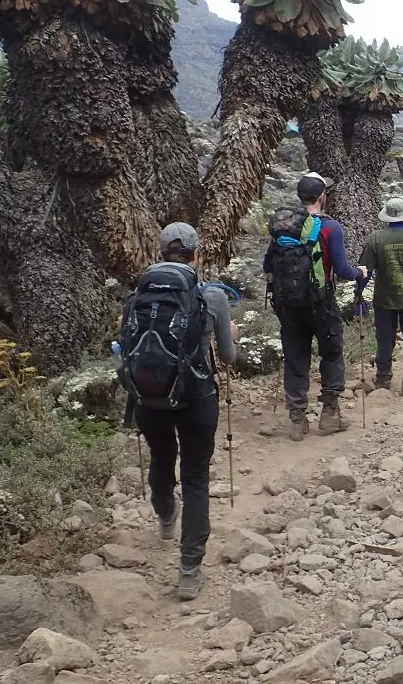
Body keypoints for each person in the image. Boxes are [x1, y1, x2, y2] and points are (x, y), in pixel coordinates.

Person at [117, 223, 238, 601]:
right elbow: (228, 357)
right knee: (196, 477)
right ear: (195, 255)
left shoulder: (137, 296)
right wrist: (231, 336)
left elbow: (125, 346)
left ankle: (166, 514)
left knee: (161, 456)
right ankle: (189, 571)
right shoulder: (211, 297)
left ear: (160, 253)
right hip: (196, 397)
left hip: (148, 399)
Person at [264, 172, 368, 441]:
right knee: (331, 354)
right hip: (321, 302)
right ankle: (330, 414)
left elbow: (267, 265)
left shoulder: (283, 226)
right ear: (322, 196)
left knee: (295, 357)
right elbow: (342, 269)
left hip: (288, 305)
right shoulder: (330, 227)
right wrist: (360, 272)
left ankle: (297, 421)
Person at [357, 198, 403, 396]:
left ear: (387, 217)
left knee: (384, 339)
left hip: (384, 300)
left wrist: (358, 295)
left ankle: (383, 379)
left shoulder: (376, 239)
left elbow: (365, 271)